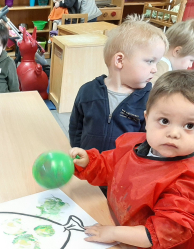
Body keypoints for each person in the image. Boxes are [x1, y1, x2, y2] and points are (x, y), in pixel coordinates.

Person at [69, 70, 194, 249]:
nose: (174, 134)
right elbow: (107, 165)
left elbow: (159, 234)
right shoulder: (133, 144)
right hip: (118, 243)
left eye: (189, 126)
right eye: (164, 121)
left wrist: (112, 232)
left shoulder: (186, 181)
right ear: (146, 119)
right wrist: (88, 161)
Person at [69, 15, 168, 153]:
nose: (155, 69)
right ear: (120, 60)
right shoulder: (88, 91)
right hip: (89, 165)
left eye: (157, 63)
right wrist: (78, 151)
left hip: (124, 171)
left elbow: (147, 141)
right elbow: (76, 127)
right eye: (150, 61)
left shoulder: (150, 100)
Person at [151, 19, 194, 84]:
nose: (190, 65)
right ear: (177, 51)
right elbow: (150, 89)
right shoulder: (162, 65)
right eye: (191, 60)